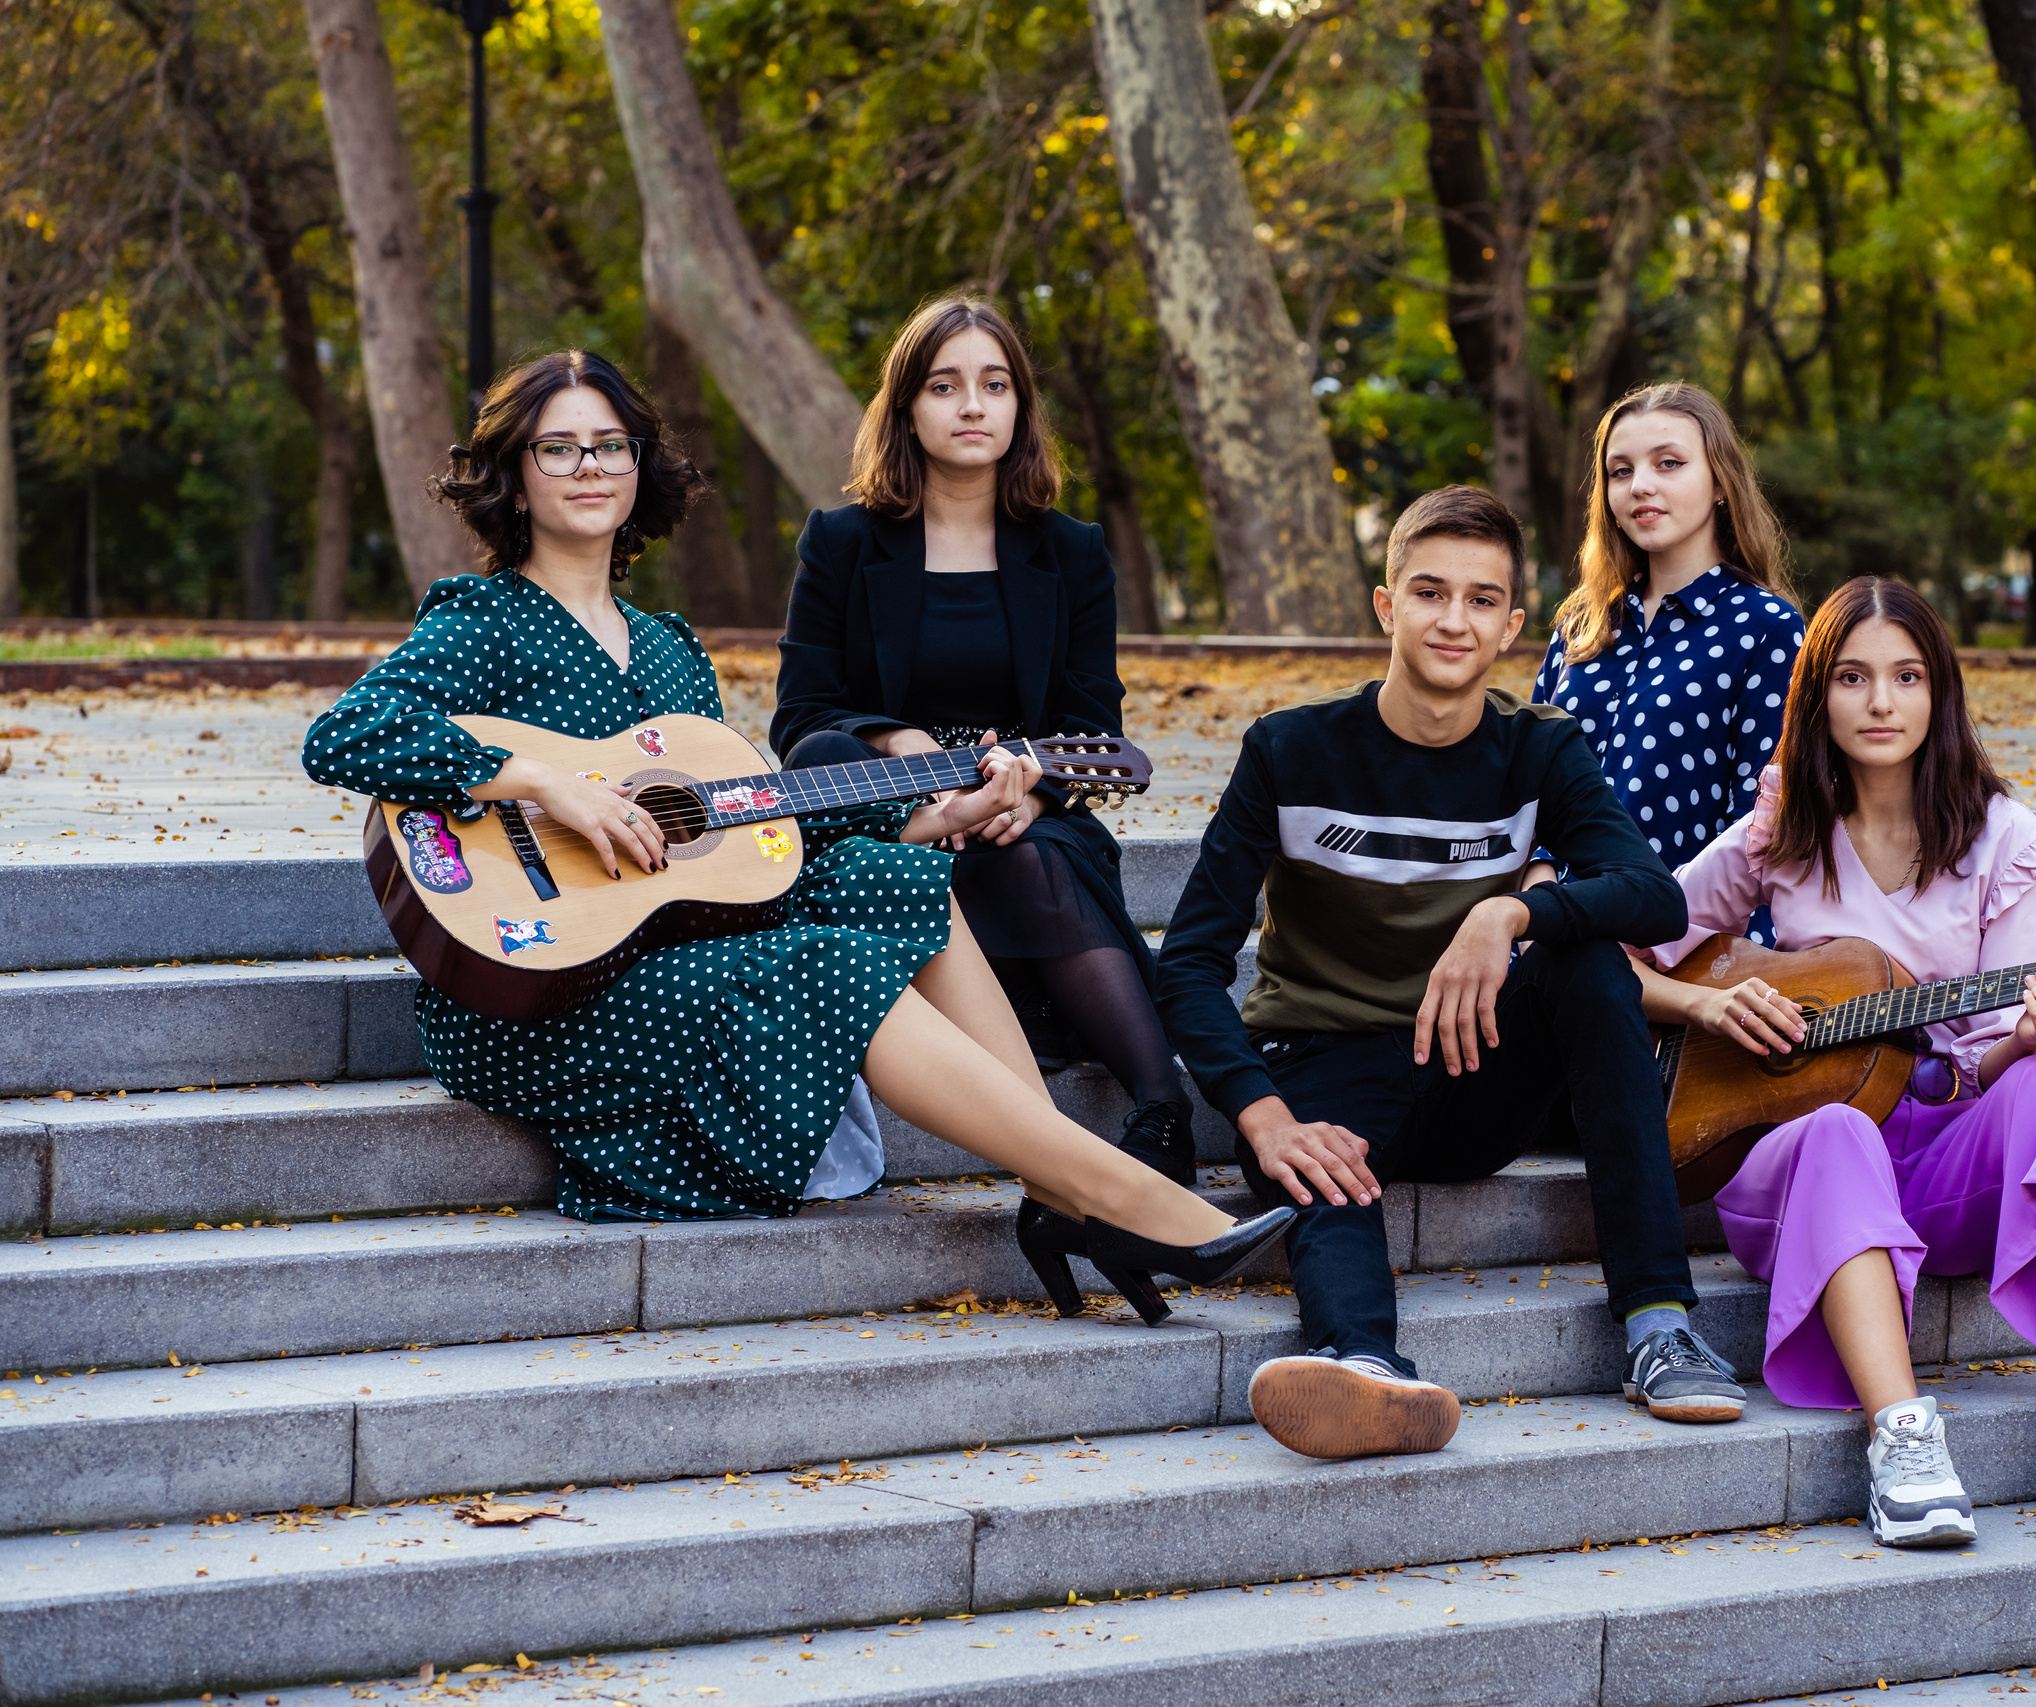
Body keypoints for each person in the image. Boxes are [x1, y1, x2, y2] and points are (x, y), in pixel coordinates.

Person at [302, 350, 1286, 1317]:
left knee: (889, 875)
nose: (591, 467)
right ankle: (1129, 1198)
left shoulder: (668, 648)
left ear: (642, 467)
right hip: (539, 994)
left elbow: (729, 842)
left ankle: (1059, 1193)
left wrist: (929, 817)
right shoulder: (487, 619)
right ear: (514, 477)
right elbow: (347, 732)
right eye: (558, 450)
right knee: (823, 960)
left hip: (661, 945)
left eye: (612, 445)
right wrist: (549, 785)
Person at [1155, 485, 1749, 1462]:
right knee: (1326, 1175)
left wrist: (1508, 910)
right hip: (1325, 1063)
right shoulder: (1289, 751)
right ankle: (1365, 1371)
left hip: (1475, 1073)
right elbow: (1187, 965)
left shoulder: (1541, 749)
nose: (1453, 619)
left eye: (1481, 600)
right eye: (1429, 593)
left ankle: (1657, 1325)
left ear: (1511, 627)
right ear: (1386, 607)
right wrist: (1260, 1115)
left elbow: (1654, 897)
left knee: (1590, 962)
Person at [1629, 575, 2036, 1548]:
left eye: (1905, 676)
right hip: (1794, 1159)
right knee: (1839, 1130)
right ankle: (1899, 1436)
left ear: (1940, 693)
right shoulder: (1781, 829)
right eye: (1851, 678)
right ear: (1817, 697)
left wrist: (2029, 1032)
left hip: (1944, 1155)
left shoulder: (2003, 843)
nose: (1881, 703)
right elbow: (1629, 948)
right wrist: (1706, 1001)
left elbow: (1998, 1069)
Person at [771, 297, 1194, 1184]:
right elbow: (802, 715)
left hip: (1018, 810)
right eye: (945, 385)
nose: (972, 406)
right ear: (908, 409)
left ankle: (1162, 1113)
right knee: (823, 761)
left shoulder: (1070, 552)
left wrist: (1029, 787)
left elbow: (1092, 720)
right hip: (889, 814)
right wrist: (899, 746)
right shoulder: (841, 544)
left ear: (1019, 407)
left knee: (1035, 856)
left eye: (994, 386)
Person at [1526, 383, 1804, 947]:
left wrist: (1667, 936)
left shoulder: (1767, 627)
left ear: (1721, 482)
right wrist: (1537, 893)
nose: (1640, 486)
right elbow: (1535, 779)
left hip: (1690, 940)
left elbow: (1762, 820)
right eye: (1620, 471)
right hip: (1553, 931)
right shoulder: (1581, 625)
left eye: (1669, 463)